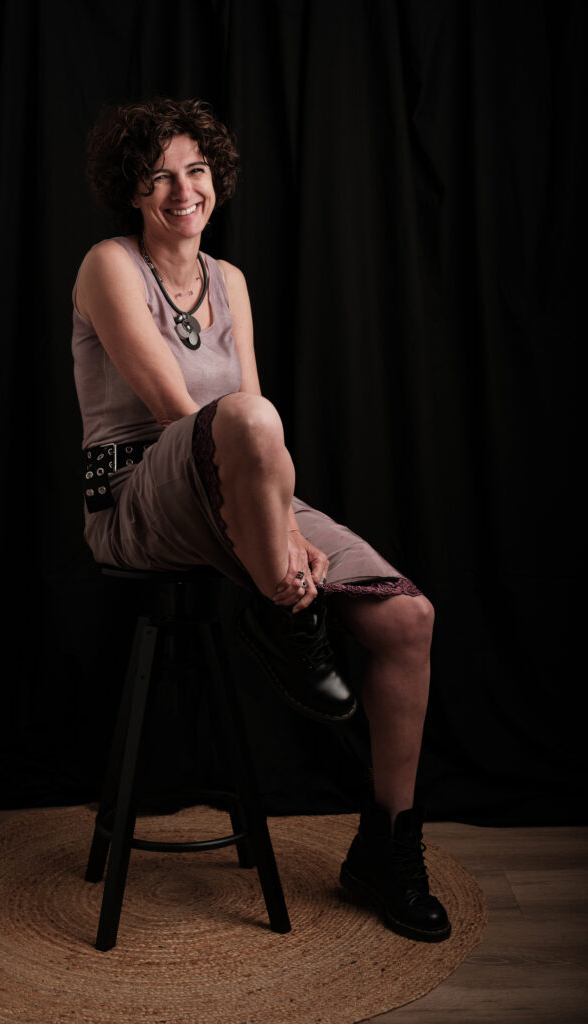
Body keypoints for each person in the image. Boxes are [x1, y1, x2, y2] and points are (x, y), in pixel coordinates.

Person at [72, 97, 451, 943]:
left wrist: (283, 521)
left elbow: (253, 436)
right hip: (137, 495)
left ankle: (387, 847)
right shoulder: (109, 265)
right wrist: (278, 539)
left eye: (196, 170)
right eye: (160, 175)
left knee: (408, 620)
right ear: (131, 189)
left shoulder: (229, 280)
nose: (183, 190)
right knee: (245, 416)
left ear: (217, 179)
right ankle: (284, 610)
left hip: (237, 481)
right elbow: (177, 411)